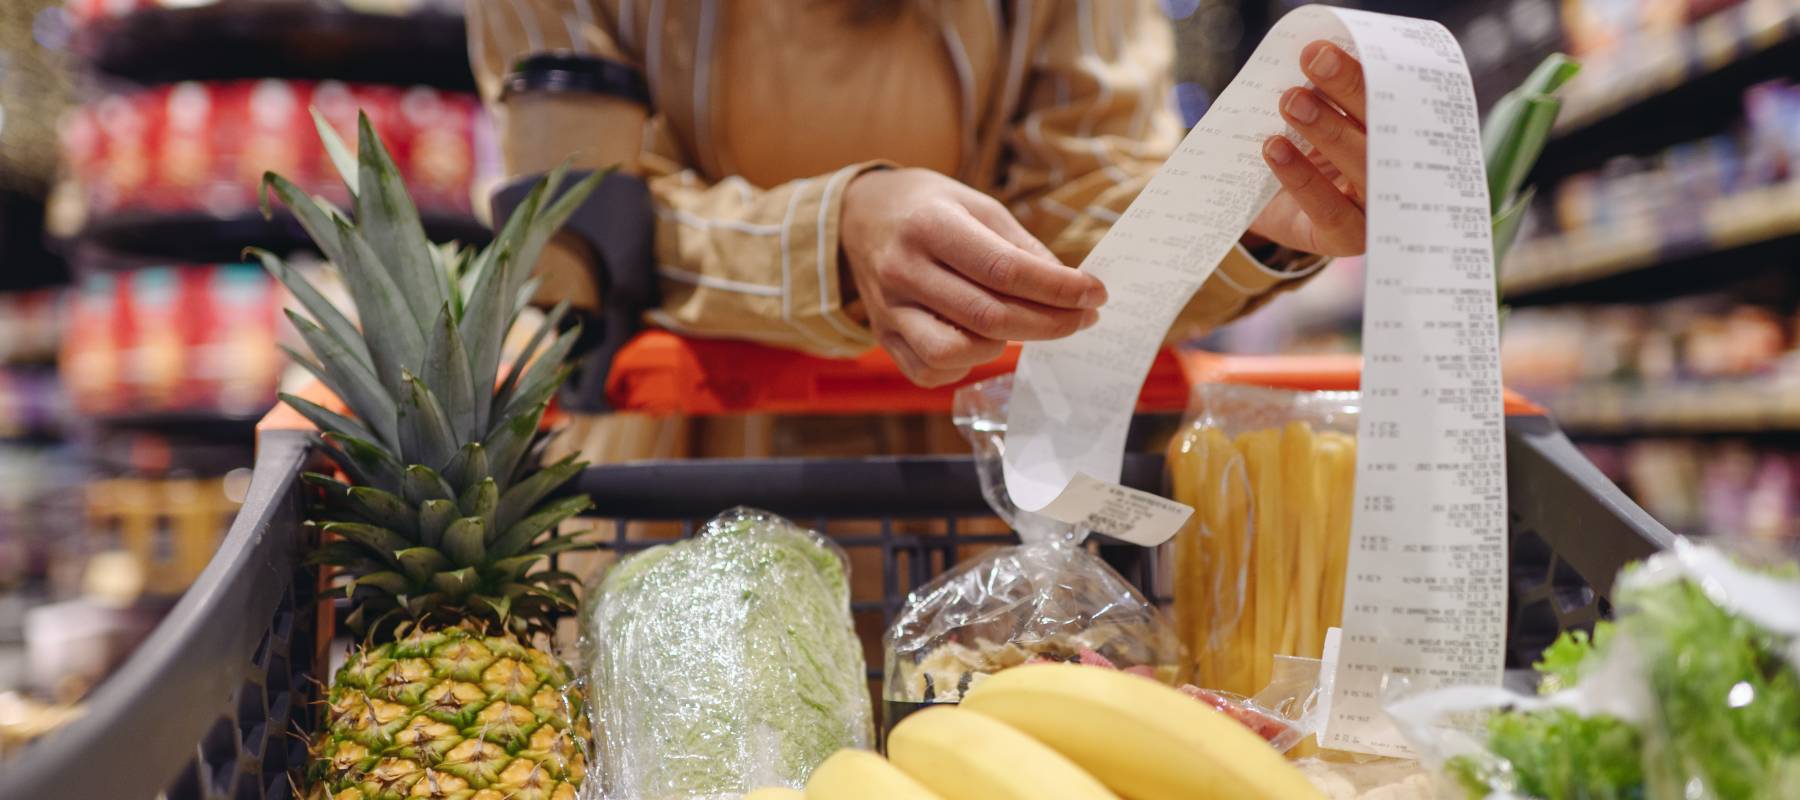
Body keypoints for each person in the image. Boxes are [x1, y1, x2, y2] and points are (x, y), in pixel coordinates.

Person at [468, 0, 1369, 392]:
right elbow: (574, 225)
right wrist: (833, 238)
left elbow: (1081, 202)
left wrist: (1244, 221)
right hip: (662, 479)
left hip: (964, 489)